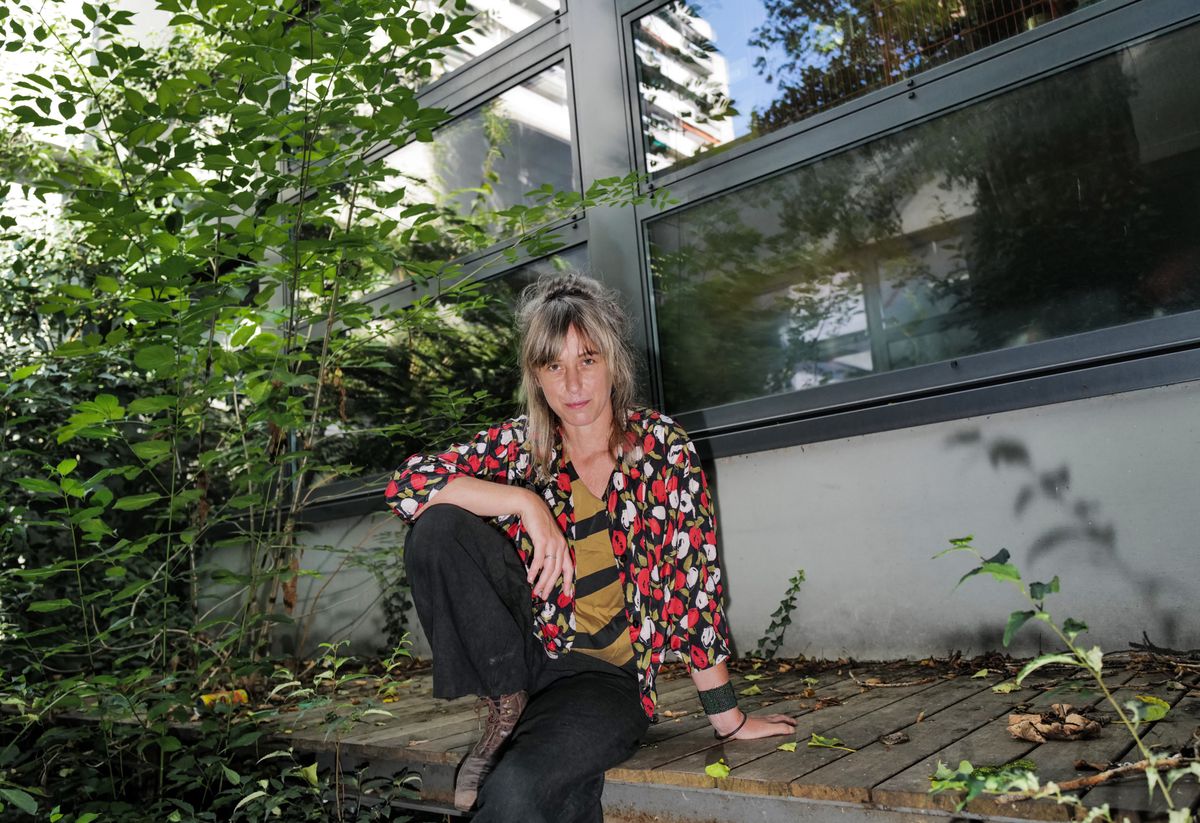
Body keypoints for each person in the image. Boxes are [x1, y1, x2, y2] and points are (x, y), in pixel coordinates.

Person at [385, 272, 795, 821]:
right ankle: (505, 705)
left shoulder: (662, 451)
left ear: (614, 363)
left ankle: (529, 737)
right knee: (436, 527)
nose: (573, 384)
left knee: (520, 790)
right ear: (536, 375)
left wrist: (728, 718)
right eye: (554, 364)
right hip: (522, 656)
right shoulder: (521, 446)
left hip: (604, 678)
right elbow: (407, 485)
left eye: (588, 359)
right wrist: (527, 504)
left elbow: (695, 592)